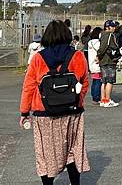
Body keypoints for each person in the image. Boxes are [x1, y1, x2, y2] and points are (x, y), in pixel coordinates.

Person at [19, 20, 90, 185]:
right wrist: (76, 100)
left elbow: (28, 87)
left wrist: (24, 112)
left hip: (44, 114)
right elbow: (84, 83)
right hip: (72, 112)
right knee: (72, 149)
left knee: (45, 153)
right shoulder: (78, 55)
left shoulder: (38, 58)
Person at [96, 20, 120, 108]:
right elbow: (103, 47)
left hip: (103, 60)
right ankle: (107, 100)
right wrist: (98, 55)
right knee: (110, 81)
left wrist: (99, 56)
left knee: (103, 81)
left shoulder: (101, 35)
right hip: (109, 60)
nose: (114, 28)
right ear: (107, 27)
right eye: (112, 26)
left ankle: (103, 100)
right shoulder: (109, 35)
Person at [87, 27, 103, 104]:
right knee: (98, 82)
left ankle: (94, 97)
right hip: (97, 64)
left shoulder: (89, 42)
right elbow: (100, 51)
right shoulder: (98, 43)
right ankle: (97, 98)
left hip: (91, 64)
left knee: (94, 81)